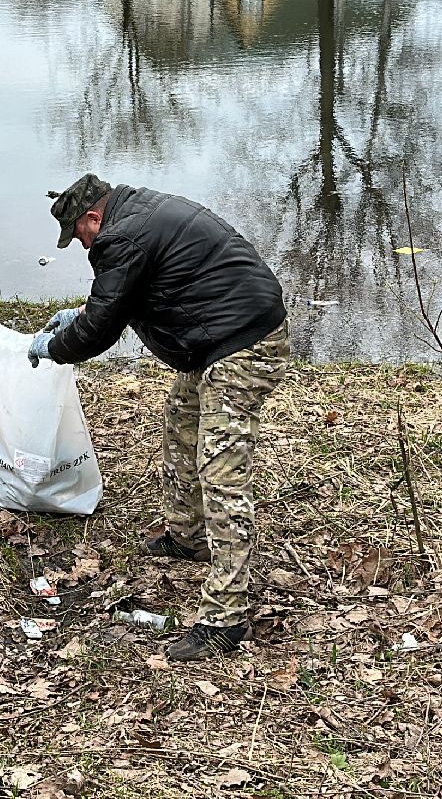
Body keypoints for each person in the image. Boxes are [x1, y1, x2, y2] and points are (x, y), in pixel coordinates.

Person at [30, 173, 290, 661]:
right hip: (219, 339)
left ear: (92, 217)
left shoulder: (121, 236)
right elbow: (122, 296)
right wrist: (78, 315)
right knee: (180, 421)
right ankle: (188, 538)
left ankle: (225, 618)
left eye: (78, 235)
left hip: (243, 344)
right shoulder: (135, 214)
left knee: (222, 473)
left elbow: (100, 327)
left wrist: (55, 346)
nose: (78, 244)